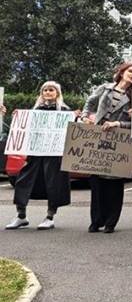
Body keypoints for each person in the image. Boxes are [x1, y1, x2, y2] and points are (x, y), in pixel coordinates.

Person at [82, 63, 132, 234]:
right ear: (122, 72)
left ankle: (110, 222)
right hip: (97, 136)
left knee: (114, 183)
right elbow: (90, 102)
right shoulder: (105, 88)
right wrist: (86, 117)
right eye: (130, 71)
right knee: (97, 182)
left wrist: (118, 123)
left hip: (119, 140)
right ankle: (95, 221)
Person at [5, 81, 73, 230]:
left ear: (57, 93)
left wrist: (75, 118)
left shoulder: (64, 110)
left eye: (51, 90)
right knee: (23, 181)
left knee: (54, 184)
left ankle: (50, 216)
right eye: (45, 90)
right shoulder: (35, 110)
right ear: (41, 93)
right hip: (35, 154)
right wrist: (18, 117)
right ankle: (21, 216)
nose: (48, 92)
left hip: (55, 156)